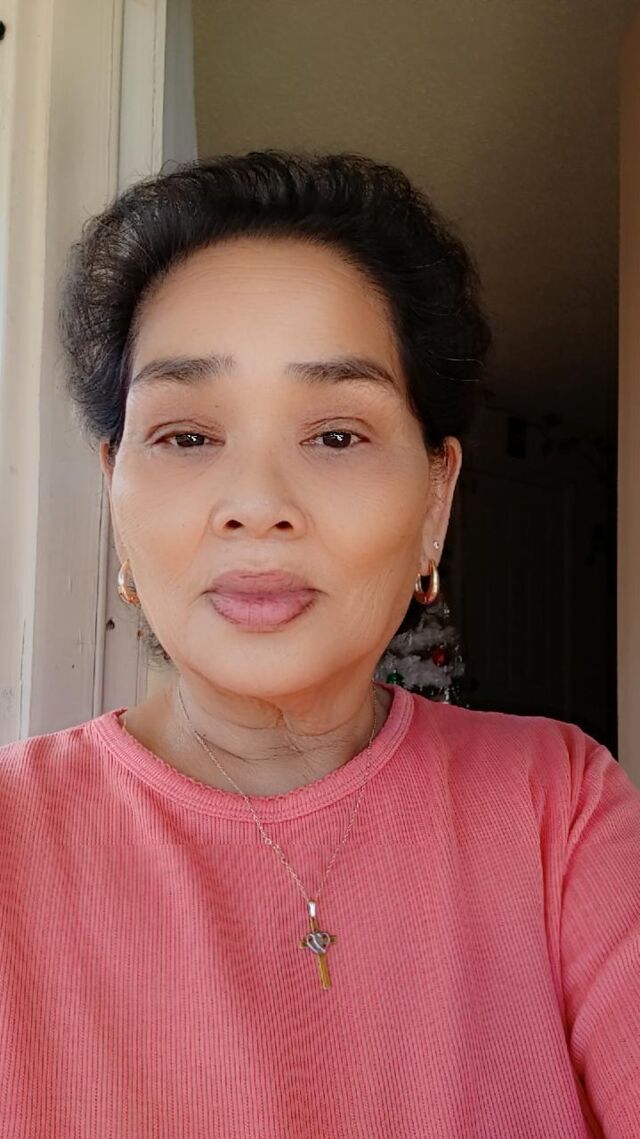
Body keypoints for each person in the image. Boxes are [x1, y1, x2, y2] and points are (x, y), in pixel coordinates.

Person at [0, 150, 638, 1139]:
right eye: (186, 436)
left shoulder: (560, 804)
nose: (258, 504)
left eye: (336, 435)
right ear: (114, 487)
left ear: (435, 499)